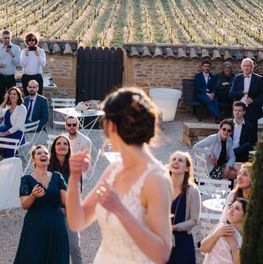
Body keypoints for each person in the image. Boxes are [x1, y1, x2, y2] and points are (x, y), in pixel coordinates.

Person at [66, 87, 172, 264]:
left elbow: (161, 253)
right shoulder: (114, 170)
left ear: (112, 126)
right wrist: (74, 177)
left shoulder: (156, 179)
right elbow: (78, 220)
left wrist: (120, 209)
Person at [14, 145, 70, 264]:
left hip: (56, 222)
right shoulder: (26, 179)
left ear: (49, 158)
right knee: (33, 256)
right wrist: (33, 195)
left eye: (45, 153)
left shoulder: (57, 177)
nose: (43, 155)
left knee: (56, 256)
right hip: (35, 223)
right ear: (33, 160)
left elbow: (66, 201)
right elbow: (24, 205)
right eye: (39, 153)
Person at [49, 135, 83, 264]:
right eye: (58, 144)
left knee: (74, 246)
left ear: (69, 148)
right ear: (54, 147)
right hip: (53, 211)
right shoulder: (47, 167)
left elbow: (78, 191)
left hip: (70, 211)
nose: (62, 146)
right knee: (55, 247)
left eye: (65, 144)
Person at [167, 151, 200, 264]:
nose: (176, 162)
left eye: (180, 160)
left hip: (182, 242)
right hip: (160, 239)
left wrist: (174, 227)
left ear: (187, 168)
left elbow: (194, 220)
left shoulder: (193, 191)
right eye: (174, 159)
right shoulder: (161, 187)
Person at [200, 198, 246, 264]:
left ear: (245, 216)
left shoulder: (246, 238)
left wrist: (233, 244)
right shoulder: (221, 227)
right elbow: (203, 248)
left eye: (237, 208)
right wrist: (217, 233)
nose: (231, 210)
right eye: (230, 207)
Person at [229, 58, 263, 127]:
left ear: (252, 67)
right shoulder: (237, 78)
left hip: (253, 109)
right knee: (237, 131)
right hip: (238, 109)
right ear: (241, 67)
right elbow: (231, 93)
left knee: (252, 133)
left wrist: (253, 100)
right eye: (244, 65)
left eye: (248, 66)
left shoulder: (259, 79)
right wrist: (242, 92)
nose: (246, 68)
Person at [0, 86, 26, 158]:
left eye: (14, 94)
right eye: (10, 94)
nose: (12, 96)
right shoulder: (8, 106)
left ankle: (5, 157)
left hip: (17, 133)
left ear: (18, 96)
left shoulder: (22, 108)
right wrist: (4, 101)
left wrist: (4, 134)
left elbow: (18, 126)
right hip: (6, 130)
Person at [0, 29, 21, 102]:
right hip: (0, 76)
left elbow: (18, 63)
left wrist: (11, 53)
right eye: (5, 38)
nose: (7, 39)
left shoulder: (16, 48)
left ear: (11, 37)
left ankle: (11, 112)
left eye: (9, 38)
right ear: (2, 38)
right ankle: (2, 112)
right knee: (1, 97)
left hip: (11, 77)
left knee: (12, 97)